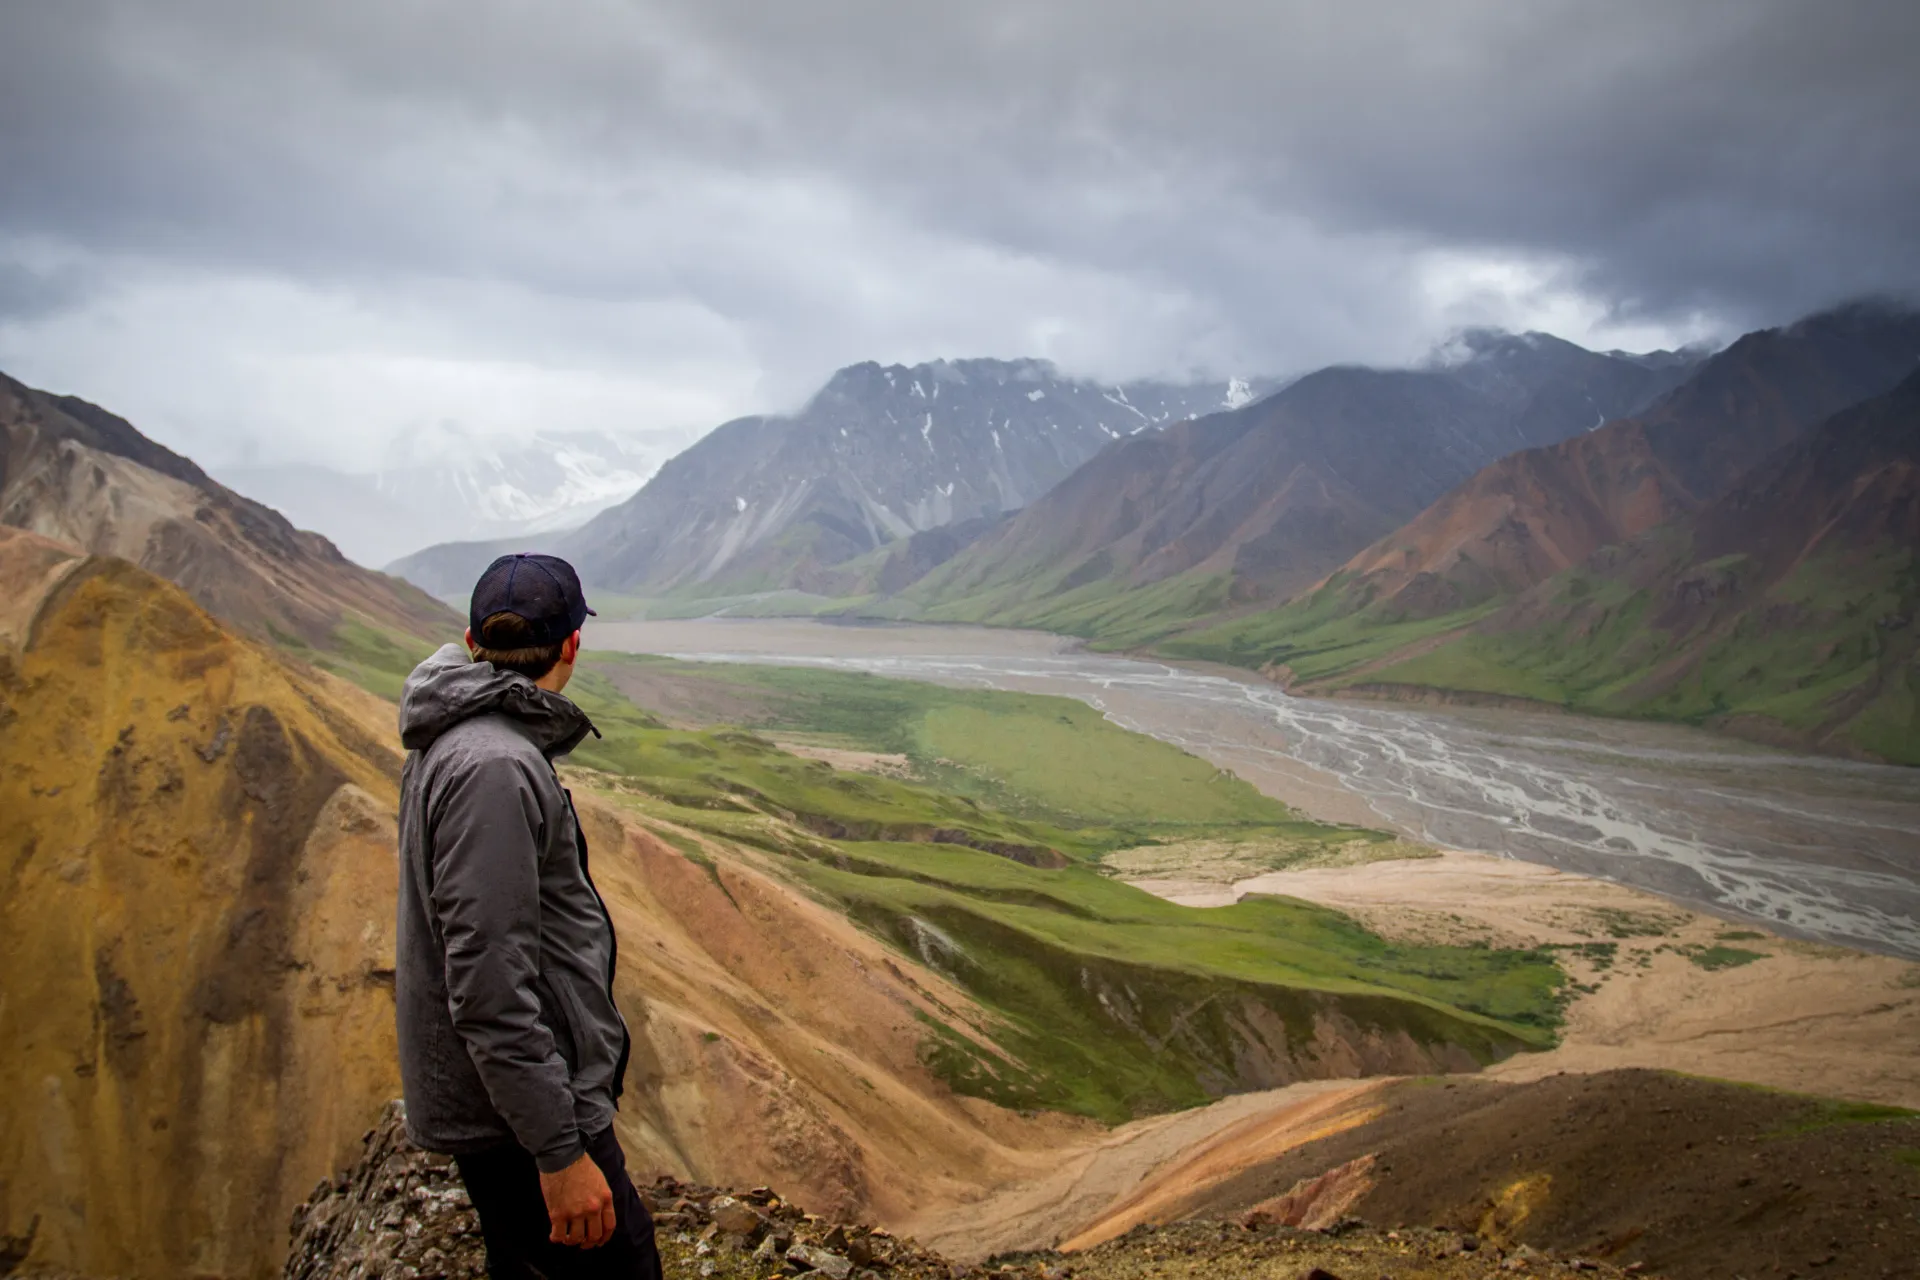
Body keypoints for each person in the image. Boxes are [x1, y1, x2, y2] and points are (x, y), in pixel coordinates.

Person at [394, 552, 661, 1280]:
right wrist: (559, 1152)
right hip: (519, 1116)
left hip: (506, 1103)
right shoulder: (495, 767)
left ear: (474, 638)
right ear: (572, 643)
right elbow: (488, 982)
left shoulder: (464, 739)